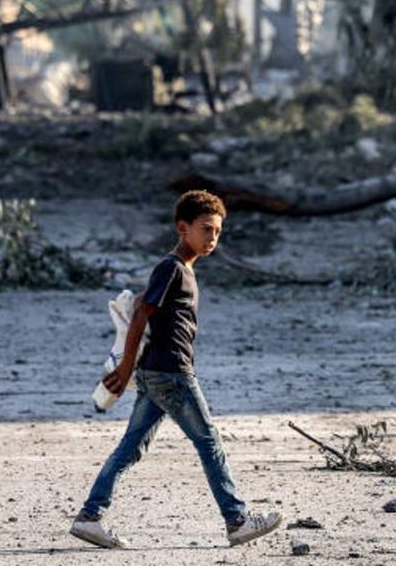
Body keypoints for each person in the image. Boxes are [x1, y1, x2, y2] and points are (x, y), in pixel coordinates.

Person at [70, 190, 283, 549]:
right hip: (171, 373)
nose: (213, 238)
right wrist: (124, 368)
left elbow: (141, 303)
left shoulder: (181, 271)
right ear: (183, 228)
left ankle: (89, 517)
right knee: (209, 442)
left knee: (130, 448)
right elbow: (141, 313)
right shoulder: (171, 268)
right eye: (206, 230)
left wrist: (132, 368)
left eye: (218, 231)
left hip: (157, 375)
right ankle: (238, 520)